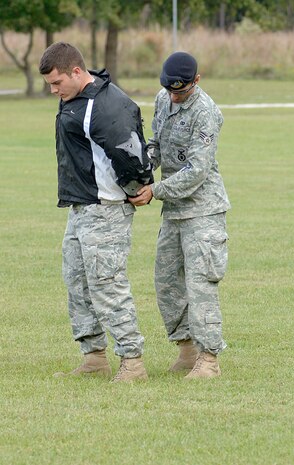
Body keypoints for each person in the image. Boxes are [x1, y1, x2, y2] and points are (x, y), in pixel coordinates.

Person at [39, 42, 153, 382]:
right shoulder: (74, 100)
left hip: (105, 210)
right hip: (79, 208)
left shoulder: (105, 105)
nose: (54, 90)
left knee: (107, 284)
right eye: (49, 85)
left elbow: (132, 155)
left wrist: (137, 189)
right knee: (77, 282)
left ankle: (132, 362)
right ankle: (94, 358)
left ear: (77, 72)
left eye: (57, 82)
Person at [129, 51, 230, 379]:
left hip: (203, 210)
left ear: (196, 81)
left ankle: (209, 359)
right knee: (167, 281)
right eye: (170, 90)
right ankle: (186, 350)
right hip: (173, 211)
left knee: (201, 284)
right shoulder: (163, 99)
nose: (175, 95)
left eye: (181, 90)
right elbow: (156, 143)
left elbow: (197, 170)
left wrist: (155, 191)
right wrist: (142, 167)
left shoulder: (206, 112)